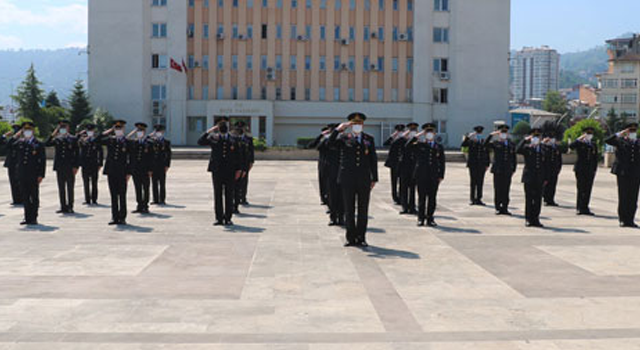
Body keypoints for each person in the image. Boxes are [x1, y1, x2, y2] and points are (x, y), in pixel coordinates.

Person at [329, 112, 378, 248]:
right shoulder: (344, 137)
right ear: (350, 125)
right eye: (354, 123)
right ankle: (350, 237)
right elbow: (330, 144)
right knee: (349, 208)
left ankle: (361, 237)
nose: (357, 125)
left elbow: (373, 159)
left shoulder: (369, 139)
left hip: (364, 179)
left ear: (363, 124)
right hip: (347, 178)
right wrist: (338, 129)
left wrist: (374, 178)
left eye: (359, 123)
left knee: (363, 209)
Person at [198, 118, 243, 226]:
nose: (222, 128)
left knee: (229, 194)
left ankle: (228, 218)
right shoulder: (214, 137)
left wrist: (239, 170)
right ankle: (219, 218)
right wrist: (209, 131)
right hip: (217, 170)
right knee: (217, 194)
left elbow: (239, 156)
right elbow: (200, 141)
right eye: (220, 126)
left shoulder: (233, 139)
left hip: (230, 170)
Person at [408, 123, 445, 227]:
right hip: (421, 175)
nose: (429, 134)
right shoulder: (419, 144)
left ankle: (430, 218)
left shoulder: (438, 146)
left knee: (432, 198)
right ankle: (421, 218)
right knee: (421, 198)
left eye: (431, 132)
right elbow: (407, 146)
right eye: (427, 132)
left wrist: (441, 175)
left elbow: (442, 162)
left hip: (434, 176)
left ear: (434, 133)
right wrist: (417, 135)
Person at [605, 123, 640, 227]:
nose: (632, 133)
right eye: (630, 130)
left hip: (636, 173)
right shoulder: (620, 141)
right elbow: (608, 141)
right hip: (623, 172)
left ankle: (630, 219)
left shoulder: (638, 142)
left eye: (634, 130)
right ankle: (623, 219)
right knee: (623, 196)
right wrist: (620, 134)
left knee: (633, 197)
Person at [100, 120, 132, 225]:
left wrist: (129, 172)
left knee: (122, 196)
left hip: (122, 172)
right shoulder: (110, 140)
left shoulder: (127, 142)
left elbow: (130, 158)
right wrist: (109, 130)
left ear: (123, 129)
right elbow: (97, 140)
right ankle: (114, 217)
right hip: (111, 171)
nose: (118, 130)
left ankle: (122, 217)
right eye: (116, 128)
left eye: (120, 128)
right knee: (113, 196)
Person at [14, 121, 46, 225]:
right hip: (22, 174)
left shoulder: (38, 144)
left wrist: (41, 174)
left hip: (33, 174)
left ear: (33, 131)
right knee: (25, 196)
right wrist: (16, 135)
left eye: (29, 130)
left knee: (34, 196)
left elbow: (42, 160)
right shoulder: (20, 142)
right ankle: (27, 217)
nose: (27, 132)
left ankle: (34, 217)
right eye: (25, 130)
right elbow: (8, 145)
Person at [45, 120, 80, 214]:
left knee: (70, 187)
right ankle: (63, 206)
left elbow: (77, 154)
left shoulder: (73, 139)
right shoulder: (57, 139)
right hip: (60, 167)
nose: (63, 129)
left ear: (68, 128)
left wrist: (76, 166)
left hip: (70, 166)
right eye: (61, 128)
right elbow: (47, 143)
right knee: (61, 187)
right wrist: (54, 133)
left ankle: (70, 206)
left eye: (64, 127)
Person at [517, 128, 549, 227]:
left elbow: (546, 165)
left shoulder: (543, 149)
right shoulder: (527, 148)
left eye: (538, 136)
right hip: (529, 177)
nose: (536, 138)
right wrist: (525, 140)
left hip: (540, 178)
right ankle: (528, 219)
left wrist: (546, 178)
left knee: (538, 199)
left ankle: (536, 219)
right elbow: (517, 150)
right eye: (534, 136)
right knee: (529, 199)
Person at [487, 124, 517, 215]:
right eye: (502, 132)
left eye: (505, 132)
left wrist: (513, 169)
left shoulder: (511, 144)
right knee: (498, 189)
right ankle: (498, 207)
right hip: (498, 170)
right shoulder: (495, 143)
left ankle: (505, 207)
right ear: (499, 133)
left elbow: (513, 158)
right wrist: (491, 135)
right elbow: (485, 145)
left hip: (507, 170)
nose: (504, 134)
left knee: (506, 189)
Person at [570, 126, 599, 215]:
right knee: (581, 188)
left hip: (590, 170)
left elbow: (595, 158)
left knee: (588, 189)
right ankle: (579, 207)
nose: (589, 135)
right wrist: (579, 139)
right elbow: (571, 146)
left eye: (591, 133)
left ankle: (585, 207)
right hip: (581, 169)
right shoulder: (580, 143)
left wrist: (594, 169)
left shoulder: (593, 144)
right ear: (584, 134)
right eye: (587, 133)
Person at [319, 123, 344, 226]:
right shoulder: (329, 140)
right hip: (331, 172)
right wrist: (325, 136)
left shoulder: (345, 140)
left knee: (342, 197)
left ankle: (341, 217)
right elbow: (320, 146)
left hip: (343, 172)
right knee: (332, 196)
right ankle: (333, 217)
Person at [127, 122, 153, 214]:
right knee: (137, 188)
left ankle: (145, 206)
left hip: (145, 170)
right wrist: (133, 132)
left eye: (141, 131)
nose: (139, 132)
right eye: (138, 131)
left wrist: (150, 170)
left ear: (145, 132)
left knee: (145, 188)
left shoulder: (149, 143)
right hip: (136, 169)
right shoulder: (133, 143)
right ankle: (139, 205)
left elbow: (151, 158)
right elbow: (126, 139)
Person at [461, 125, 490, 205]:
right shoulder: (471, 141)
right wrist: (468, 137)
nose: (478, 134)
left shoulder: (483, 141)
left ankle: (479, 198)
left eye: (480, 133)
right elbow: (463, 145)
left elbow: (486, 153)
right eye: (477, 133)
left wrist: (487, 163)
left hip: (481, 164)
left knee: (480, 182)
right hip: (473, 164)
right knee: (473, 182)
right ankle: (472, 198)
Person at [78, 124, 104, 205]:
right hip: (85, 164)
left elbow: (101, 152)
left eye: (91, 131)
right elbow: (79, 145)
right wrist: (81, 135)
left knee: (94, 182)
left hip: (94, 163)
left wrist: (100, 163)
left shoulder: (96, 140)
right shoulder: (83, 140)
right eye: (88, 131)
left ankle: (94, 198)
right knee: (86, 182)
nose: (90, 132)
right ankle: (87, 199)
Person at [398, 122, 419, 215]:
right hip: (404, 168)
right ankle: (404, 207)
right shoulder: (402, 141)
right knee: (404, 188)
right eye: (411, 130)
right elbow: (395, 144)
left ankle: (412, 207)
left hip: (414, 168)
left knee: (413, 188)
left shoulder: (418, 142)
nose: (412, 132)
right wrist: (404, 136)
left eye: (414, 130)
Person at [542, 129, 566, 207]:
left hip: (554, 168)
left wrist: (559, 167)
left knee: (553, 184)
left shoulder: (556, 147)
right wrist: (543, 142)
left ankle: (551, 199)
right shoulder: (544, 147)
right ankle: (545, 198)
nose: (552, 139)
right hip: (546, 168)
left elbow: (559, 158)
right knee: (546, 184)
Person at [384, 124, 406, 205]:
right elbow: (385, 143)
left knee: (402, 182)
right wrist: (392, 136)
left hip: (402, 164)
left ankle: (401, 197)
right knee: (394, 181)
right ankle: (395, 197)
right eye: (398, 131)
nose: (400, 133)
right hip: (393, 163)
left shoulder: (404, 140)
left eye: (401, 131)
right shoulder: (393, 140)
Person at [150, 124, 171, 205]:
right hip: (153, 165)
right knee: (154, 183)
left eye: (159, 131)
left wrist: (167, 165)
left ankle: (162, 199)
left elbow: (168, 154)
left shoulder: (166, 142)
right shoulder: (152, 141)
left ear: (163, 132)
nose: (158, 133)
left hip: (162, 165)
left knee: (162, 183)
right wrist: (152, 134)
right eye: (156, 131)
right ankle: (155, 199)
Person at [1, 124, 22, 205]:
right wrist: (4, 135)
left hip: (19, 163)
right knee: (13, 181)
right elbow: (5, 144)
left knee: (20, 182)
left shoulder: (22, 140)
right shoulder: (11, 140)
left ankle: (22, 198)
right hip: (11, 164)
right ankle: (16, 199)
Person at [234, 121, 254, 206]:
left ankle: (243, 197)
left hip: (245, 163)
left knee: (244, 181)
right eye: (238, 128)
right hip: (235, 164)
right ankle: (236, 197)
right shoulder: (233, 138)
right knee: (235, 181)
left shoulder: (248, 138)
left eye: (241, 128)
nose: (240, 129)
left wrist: (252, 162)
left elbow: (251, 151)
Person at [309, 127, 330, 205]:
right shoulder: (322, 141)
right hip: (323, 165)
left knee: (330, 185)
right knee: (322, 183)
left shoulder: (335, 140)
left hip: (333, 166)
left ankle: (329, 201)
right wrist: (321, 136)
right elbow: (311, 145)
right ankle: (323, 198)